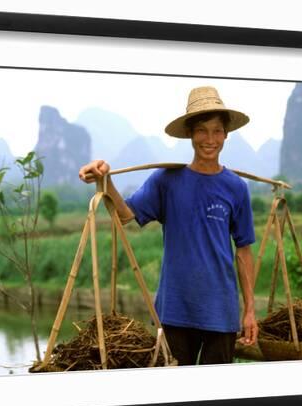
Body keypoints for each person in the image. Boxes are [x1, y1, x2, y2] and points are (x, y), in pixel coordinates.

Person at [78, 86, 258, 366]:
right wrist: (105, 180)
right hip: (175, 312)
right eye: (201, 130)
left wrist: (249, 311)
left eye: (216, 131)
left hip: (220, 312)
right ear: (190, 134)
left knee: (216, 399)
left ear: (226, 135)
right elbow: (126, 215)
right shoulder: (167, 180)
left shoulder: (236, 188)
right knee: (175, 395)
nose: (209, 139)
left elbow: (244, 250)